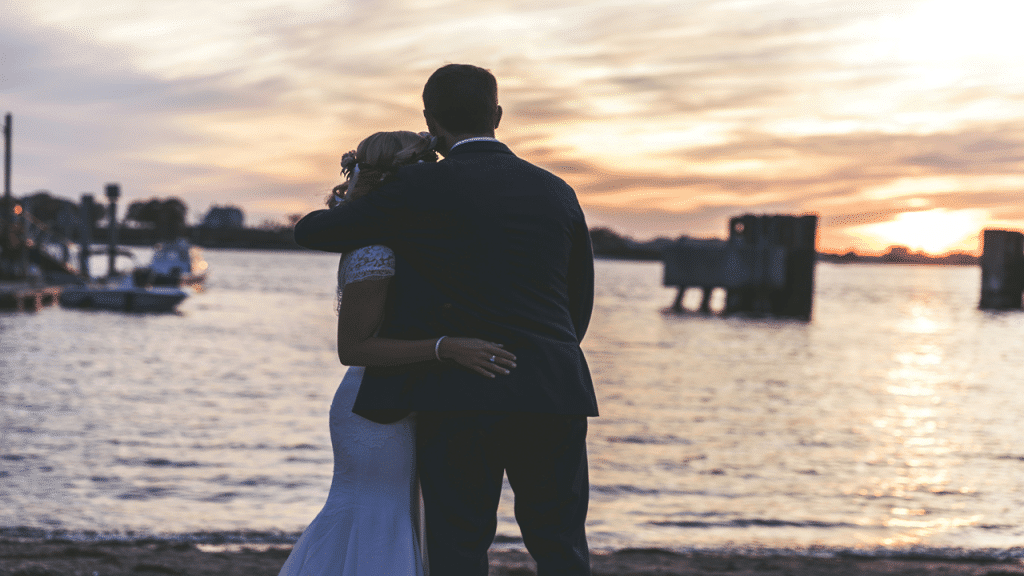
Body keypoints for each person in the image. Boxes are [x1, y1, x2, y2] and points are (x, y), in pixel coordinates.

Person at [294, 64, 597, 576]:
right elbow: (578, 301)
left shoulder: (420, 187)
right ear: (497, 115)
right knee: (561, 541)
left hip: (461, 393)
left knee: (459, 543)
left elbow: (314, 232)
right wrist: (543, 355)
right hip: (553, 387)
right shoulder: (557, 190)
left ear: (430, 121)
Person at [278, 130, 517, 576]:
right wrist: (446, 347)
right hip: (373, 409)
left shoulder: (405, 240)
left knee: (400, 519)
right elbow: (354, 347)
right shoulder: (375, 248)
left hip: (401, 399)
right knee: (375, 519)